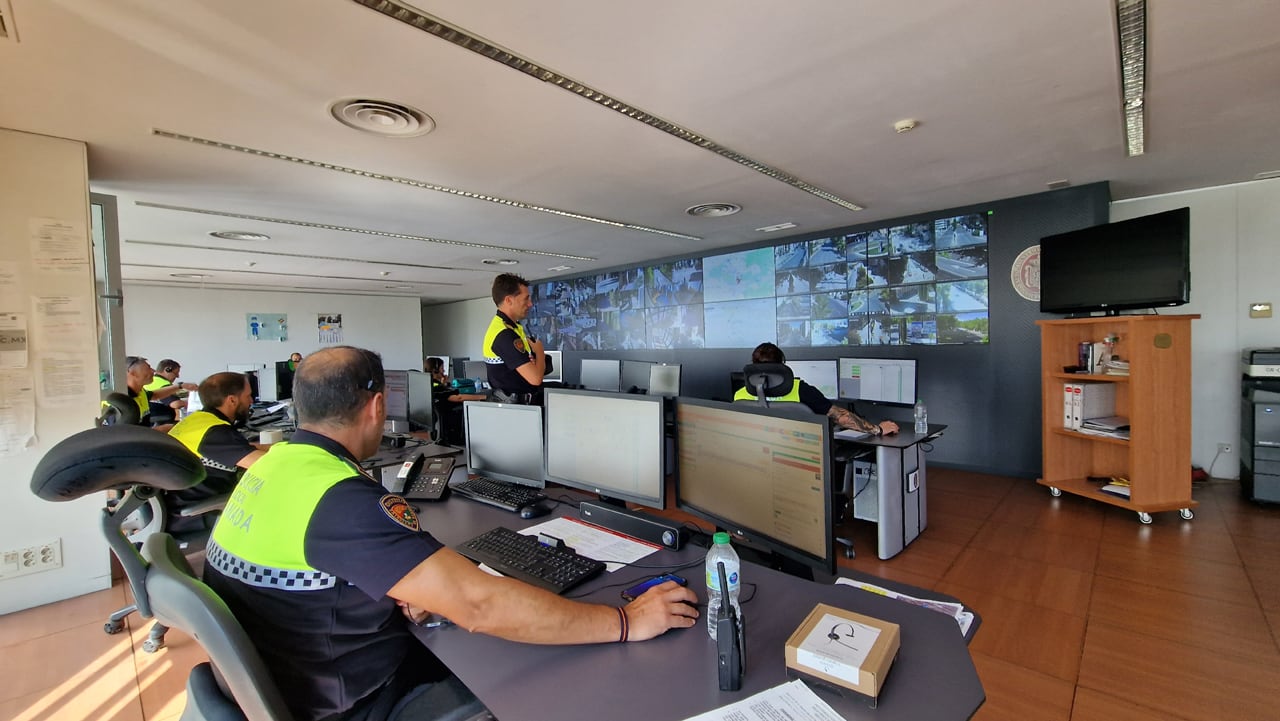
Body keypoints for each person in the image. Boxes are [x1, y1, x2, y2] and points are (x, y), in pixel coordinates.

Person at [204, 346, 697, 721]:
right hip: (351, 701)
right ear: (377, 406)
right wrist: (625, 621)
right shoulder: (341, 498)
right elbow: (480, 607)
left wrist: (397, 587)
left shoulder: (274, 469)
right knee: (537, 666)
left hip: (288, 675)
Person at [166, 372, 265, 532]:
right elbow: (265, 464)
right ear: (232, 400)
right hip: (198, 512)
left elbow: (239, 448)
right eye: (248, 396)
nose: (251, 401)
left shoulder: (198, 421)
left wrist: (277, 446)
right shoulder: (215, 433)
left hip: (180, 500)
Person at [735, 343, 899, 436]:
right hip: (802, 458)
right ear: (782, 366)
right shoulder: (800, 390)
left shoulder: (740, 395)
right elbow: (841, 418)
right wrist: (878, 429)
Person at [482, 273, 553, 405]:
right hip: (513, 408)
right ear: (509, 300)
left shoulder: (512, 328)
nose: (530, 304)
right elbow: (535, 378)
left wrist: (535, 361)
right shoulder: (504, 334)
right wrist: (540, 351)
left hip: (515, 405)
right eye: (526, 299)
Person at [426, 357, 485, 446]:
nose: (444, 370)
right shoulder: (437, 387)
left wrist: (443, 383)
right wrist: (483, 397)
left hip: (436, 426)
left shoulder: (428, 383)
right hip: (449, 426)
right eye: (442, 368)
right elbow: (458, 398)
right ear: (436, 370)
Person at [145, 358, 199, 424]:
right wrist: (194, 403)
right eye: (176, 373)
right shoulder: (163, 384)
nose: (178, 376)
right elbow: (176, 404)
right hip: (161, 421)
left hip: (150, 417)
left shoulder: (152, 381)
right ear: (167, 370)